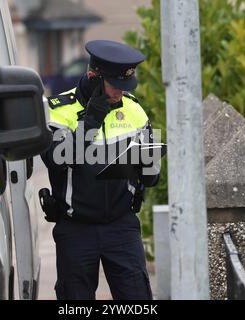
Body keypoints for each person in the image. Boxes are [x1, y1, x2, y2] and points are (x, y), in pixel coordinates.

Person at [40, 40, 161, 300]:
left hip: (121, 225)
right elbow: (58, 159)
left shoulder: (134, 109)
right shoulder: (58, 111)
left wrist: (150, 166)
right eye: (115, 86)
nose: (120, 93)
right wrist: (92, 119)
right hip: (76, 228)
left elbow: (150, 173)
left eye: (125, 86)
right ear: (94, 78)